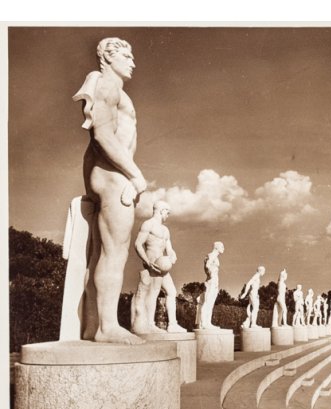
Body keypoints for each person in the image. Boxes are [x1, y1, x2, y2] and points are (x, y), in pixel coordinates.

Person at [73, 37, 147, 344]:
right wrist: (136, 175)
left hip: (111, 174)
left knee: (102, 253)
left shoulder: (115, 89)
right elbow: (102, 136)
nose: (132, 61)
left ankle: (94, 326)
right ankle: (107, 327)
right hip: (113, 175)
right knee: (113, 252)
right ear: (108, 57)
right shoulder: (105, 85)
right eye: (126, 55)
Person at [131, 201, 186, 334]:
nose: (168, 215)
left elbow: (170, 249)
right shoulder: (148, 224)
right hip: (153, 262)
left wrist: (173, 256)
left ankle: (172, 324)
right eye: (167, 212)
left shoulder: (165, 230)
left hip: (163, 264)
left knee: (172, 292)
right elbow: (138, 244)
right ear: (161, 210)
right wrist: (147, 262)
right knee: (154, 292)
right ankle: (150, 324)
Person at [197, 241, 224, 329]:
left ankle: (208, 322)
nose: (223, 248)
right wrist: (209, 273)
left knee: (211, 303)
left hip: (214, 281)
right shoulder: (211, 255)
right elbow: (207, 265)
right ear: (216, 247)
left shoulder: (215, 257)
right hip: (211, 281)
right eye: (222, 246)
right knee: (207, 301)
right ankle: (203, 323)